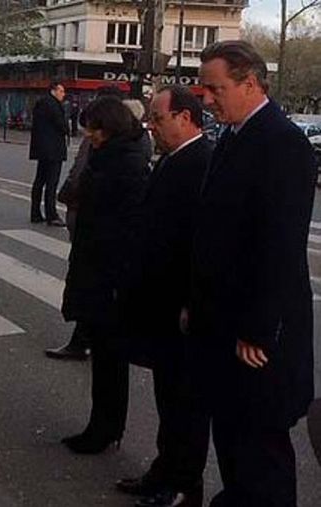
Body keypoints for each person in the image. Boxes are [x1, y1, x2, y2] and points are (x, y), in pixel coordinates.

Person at [190, 40, 316, 507]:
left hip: (258, 337)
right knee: (234, 435)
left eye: (215, 88)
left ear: (250, 83)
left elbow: (279, 247)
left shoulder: (282, 144)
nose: (206, 98)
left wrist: (258, 332)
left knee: (261, 446)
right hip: (223, 323)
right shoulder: (235, 135)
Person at [116, 85, 212, 507]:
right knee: (167, 398)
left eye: (158, 118)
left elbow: (199, 243)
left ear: (185, 119)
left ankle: (183, 484)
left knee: (184, 404)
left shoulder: (200, 163)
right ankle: (164, 469)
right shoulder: (175, 159)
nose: (150, 126)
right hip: (159, 301)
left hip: (179, 306)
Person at [60, 96, 149, 454]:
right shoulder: (109, 158)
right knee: (105, 358)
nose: (89, 136)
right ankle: (102, 425)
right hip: (97, 268)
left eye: (93, 129)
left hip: (109, 276)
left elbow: (127, 229)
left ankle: (105, 428)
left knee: (111, 360)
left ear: (109, 127)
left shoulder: (126, 166)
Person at [47, 87, 127, 361]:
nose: (88, 134)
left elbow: (81, 171)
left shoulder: (117, 151)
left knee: (94, 288)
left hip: (96, 232)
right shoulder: (104, 141)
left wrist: (70, 192)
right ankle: (83, 337)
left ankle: (84, 339)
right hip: (84, 218)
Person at [29, 81, 70, 227]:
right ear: (54, 91)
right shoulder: (53, 105)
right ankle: (51, 214)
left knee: (40, 180)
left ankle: (35, 212)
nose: (63, 94)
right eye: (61, 91)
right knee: (51, 183)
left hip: (42, 148)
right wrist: (67, 127)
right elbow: (62, 125)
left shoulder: (41, 103)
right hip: (53, 149)